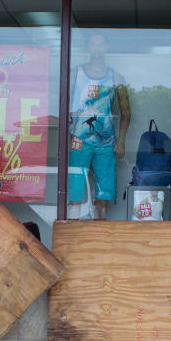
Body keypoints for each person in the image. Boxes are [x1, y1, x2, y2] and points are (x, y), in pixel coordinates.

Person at [68, 33, 130, 220]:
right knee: (75, 190)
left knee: (104, 192)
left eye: (100, 44)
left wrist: (121, 141)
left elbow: (126, 112)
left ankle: (99, 233)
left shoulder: (116, 78)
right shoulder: (75, 73)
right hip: (79, 139)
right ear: (88, 47)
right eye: (93, 44)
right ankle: (71, 231)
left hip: (106, 142)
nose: (96, 48)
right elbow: (64, 106)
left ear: (106, 48)